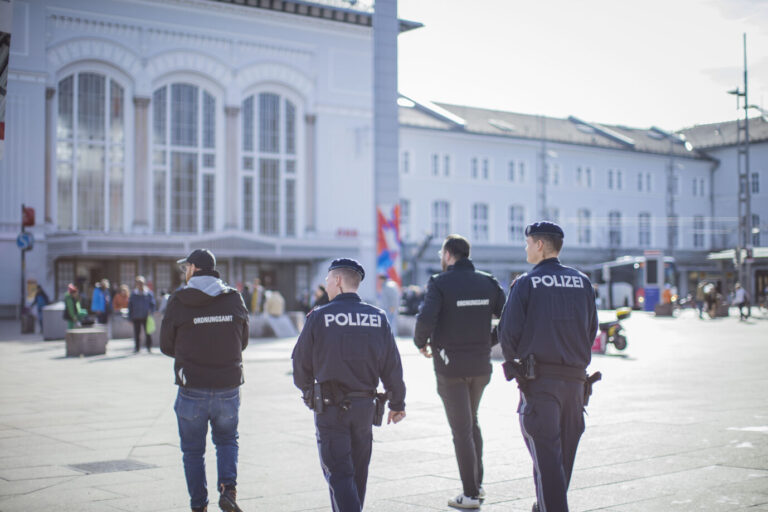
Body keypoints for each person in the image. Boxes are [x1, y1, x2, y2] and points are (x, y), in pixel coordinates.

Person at [498, 221, 598, 512]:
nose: (526, 248)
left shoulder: (527, 283)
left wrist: (517, 361)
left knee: (548, 463)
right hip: (576, 386)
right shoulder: (583, 282)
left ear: (539, 245)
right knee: (559, 464)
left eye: (528, 243)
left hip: (541, 384)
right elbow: (591, 330)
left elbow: (508, 335)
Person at [292, 258, 406, 512]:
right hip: (365, 406)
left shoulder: (319, 316)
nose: (326, 284)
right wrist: (397, 402)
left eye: (328, 279)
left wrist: (309, 392)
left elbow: (300, 364)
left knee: (339, 473)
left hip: (331, 407)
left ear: (339, 281)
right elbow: (392, 365)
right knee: (358, 473)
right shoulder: (378, 317)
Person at [413, 234, 506, 509]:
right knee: (471, 422)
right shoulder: (488, 281)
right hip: (480, 366)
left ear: (448, 254)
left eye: (442, 253)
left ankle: (470, 495)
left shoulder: (439, 282)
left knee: (462, 429)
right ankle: (477, 486)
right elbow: (509, 318)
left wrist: (421, 343)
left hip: (450, 367)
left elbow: (425, 319)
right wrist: (487, 341)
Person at [160, 249, 249, 512]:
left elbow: (166, 344)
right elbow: (242, 341)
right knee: (227, 440)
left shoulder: (179, 300)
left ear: (194, 268)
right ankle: (228, 490)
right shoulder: (234, 298)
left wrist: (191, 350)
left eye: (185, 267)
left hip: (192, 386)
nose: (184, 271)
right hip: (228, 384)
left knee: (192, 451)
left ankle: (199, 505)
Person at [128, 276, 156, 353]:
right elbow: (130, 306)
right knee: (137, 333)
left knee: (148, 333)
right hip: (136, 316)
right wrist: (130, 317)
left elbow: (153, 304)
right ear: (136, 284)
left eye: (141, 283)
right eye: (138, 283)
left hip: (146, 316)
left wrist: (151, 312)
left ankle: (149, 347)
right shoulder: (133, 294)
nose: (140, 284)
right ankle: (137, 348)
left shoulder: (149, 293)